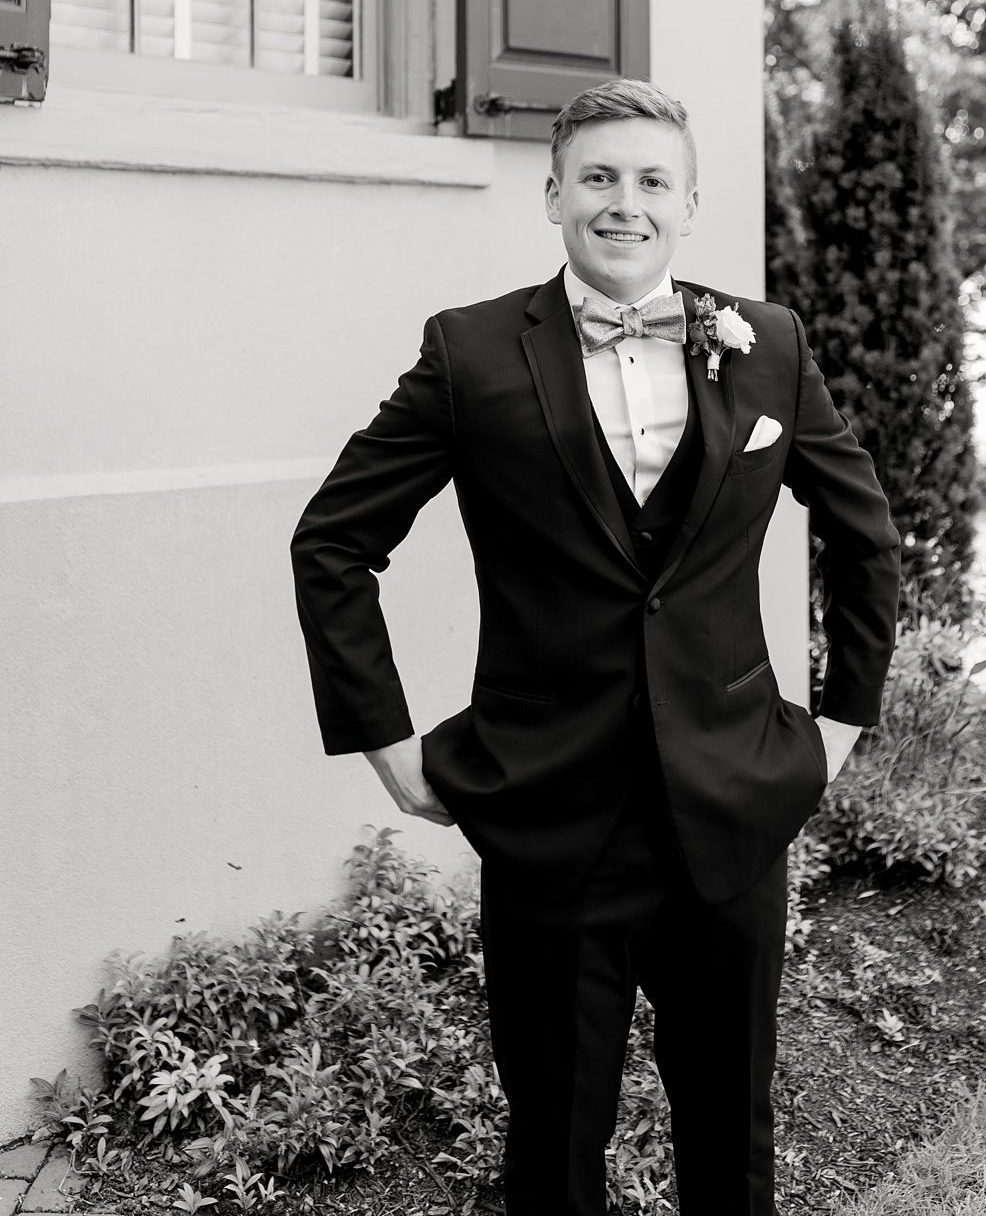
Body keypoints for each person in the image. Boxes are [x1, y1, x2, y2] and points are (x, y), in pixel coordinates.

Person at [292, 78, 900, 1216]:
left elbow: (863, 533)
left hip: (732, 802)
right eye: (602, 178)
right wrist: (387, 742)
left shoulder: (766, 342)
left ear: (690, 201)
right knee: (556, 1134)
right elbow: (332, 542)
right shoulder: (471, 352)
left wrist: (837, 728)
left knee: (734, 1129)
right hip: (550, 809)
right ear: (555, 194)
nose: (627, 203)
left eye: (652, 180)